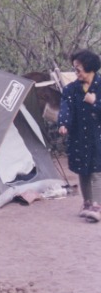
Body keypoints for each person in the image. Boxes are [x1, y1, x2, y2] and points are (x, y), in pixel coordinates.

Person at [58, 49, 101, 223]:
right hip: (79, 136)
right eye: (75, 68)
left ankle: (97, 207)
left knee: (96, 171)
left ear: (90, 68)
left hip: (98, 137)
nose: (76, 72)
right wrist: (63, 123)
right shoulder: (71, 89)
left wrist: (95, 103)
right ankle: (87, 203)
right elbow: (66, 108)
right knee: (83, 171)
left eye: (78, 69)